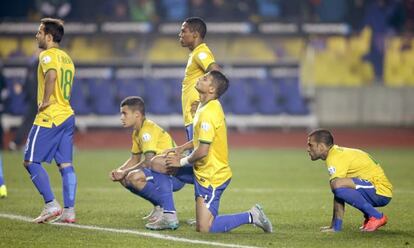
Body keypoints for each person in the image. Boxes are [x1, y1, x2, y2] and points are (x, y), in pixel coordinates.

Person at [165, 71, 273, 233]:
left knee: (204, 227)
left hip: (212, 177)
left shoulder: (209, 112)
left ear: (211, 90)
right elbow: (200, 140)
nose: (201, 78)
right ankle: (166, 213)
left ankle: (252, 215)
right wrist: (181, 149)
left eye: (205, 78)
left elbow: (202, 151)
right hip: (201, 170)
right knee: (160, 163)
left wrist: (180, 162)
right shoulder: (203, 105)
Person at [24, 18, 77, 223]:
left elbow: (52, 76)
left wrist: (45, 101)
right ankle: (69, 211)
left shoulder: (46, 55)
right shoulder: (67, 58)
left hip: (50, 116)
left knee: (30, 161)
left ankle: (51, 204)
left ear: (48, 36)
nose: (36, 35)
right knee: (65, 165)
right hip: (67, 115)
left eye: (39, 32)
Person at [110, 96, 182, 230]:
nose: (121, 117)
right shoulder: (137, 131)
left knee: (133, 177)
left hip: (173, 174)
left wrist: (125, 172)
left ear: (137, 114)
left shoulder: (146, 131)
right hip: (161, 172)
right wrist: (119, 171)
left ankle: (165, 209)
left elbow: (149, 162)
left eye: (124, 113)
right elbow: (134, 159)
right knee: (125, 177)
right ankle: (159, 207)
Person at [307, 129, 392, 232]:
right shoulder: (335, 154)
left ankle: (376, 216)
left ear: (321, 147)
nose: (308, 149)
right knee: (338, 187)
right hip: (374, 189)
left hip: (380, 191)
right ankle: (366, 218)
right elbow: (339, 193)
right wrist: (335, 227)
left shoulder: (335, 157)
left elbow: (337, 186)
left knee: (337, 184)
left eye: (310, 145)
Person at [179, 16, 220, 141]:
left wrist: (206, 102)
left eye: (183, 31)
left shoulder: (200, 53)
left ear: (195, 34)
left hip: (196, 118)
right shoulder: (195, 53)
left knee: (197, 158)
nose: (180, 34)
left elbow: (216, 72)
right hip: (192, 118)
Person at [9, 50, 39, 151]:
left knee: (30, 122)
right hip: (35, 99)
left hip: (37, 98)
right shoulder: (33, 64)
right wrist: (21, 87)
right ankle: (17, 142)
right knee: (29, 122)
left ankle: (17, 142)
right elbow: (29, 82)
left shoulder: (36, 64)